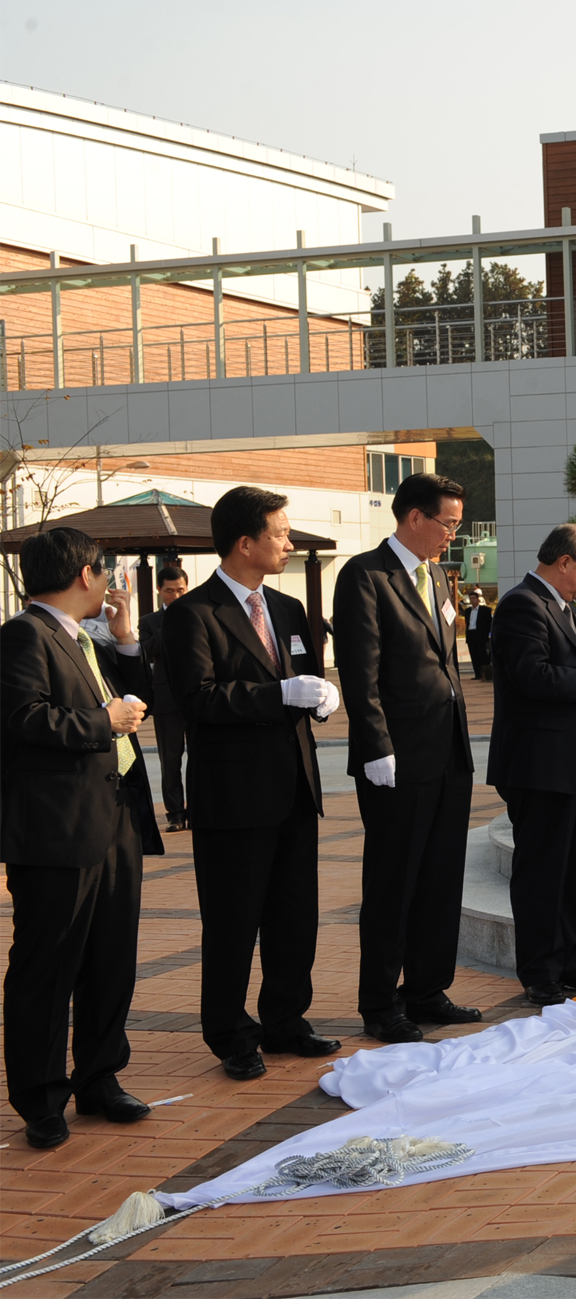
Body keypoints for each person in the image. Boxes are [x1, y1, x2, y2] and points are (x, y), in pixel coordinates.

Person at [164, 487, 342, 1081]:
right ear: (246, 542)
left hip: (294, 784)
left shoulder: (288, 609)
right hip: (234, 797)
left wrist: (317, 697)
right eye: (281, 534)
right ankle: (231, 1034)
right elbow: (198, 700)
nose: (289, 544)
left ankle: (286, 1020)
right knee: (234, 920)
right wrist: (279, 695)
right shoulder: (193, 614)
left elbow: (299, 676)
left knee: (295, 916)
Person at [2, 527, 162, 1149]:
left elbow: (142, 698)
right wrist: (105, 721)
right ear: (83, 574)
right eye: (106, 572)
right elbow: (22, 719)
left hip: (114, 815)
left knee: (110, 957)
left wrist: (124, 643)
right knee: (48, 964)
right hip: (57, 828)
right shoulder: (23, 636)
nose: (109, 583)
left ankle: (100, 1077)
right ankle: (41, 1099)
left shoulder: (81, 638)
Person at [332, 472, 482, 1044]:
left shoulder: (438, 578)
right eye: (448, 523)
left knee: (440, 878)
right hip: (396, 758)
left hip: (448, 751)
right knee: (394, 882)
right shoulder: (366, 576)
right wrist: (376, 746)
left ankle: (426, 989)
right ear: (414, 517)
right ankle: (380, 1002)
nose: (453, 534)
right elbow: (359, 671)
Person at [488, 524, 576, 1005]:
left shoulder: (565, 608)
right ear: (564, 561)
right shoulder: (522, 604)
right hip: (541, 766)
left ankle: (571, 959)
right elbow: (531, 676)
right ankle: (540, 971)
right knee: (543, 871)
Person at [137, 563, 191, 831]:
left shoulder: (197, 613)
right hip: (166, 698)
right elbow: (145, 652)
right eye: (170, 591)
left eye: (180, 590)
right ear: (160, 591)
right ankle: (175, 814)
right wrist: (168, 624)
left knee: (200, 756)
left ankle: (198, 809)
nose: (176, 596)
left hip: (197, 695)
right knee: (170, 758)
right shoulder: (149, 622)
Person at [465, 589, 492, 681]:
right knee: (474, 655)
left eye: (474, 598)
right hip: (471, 634)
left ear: (478, 599)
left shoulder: (485, 610)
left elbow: (489, 623)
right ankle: (477, 674)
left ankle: (486, 674)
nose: (472, 600)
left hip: (481, 635)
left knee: (482, 655)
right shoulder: (467, 611)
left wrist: (489, 635)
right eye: (471, 598)